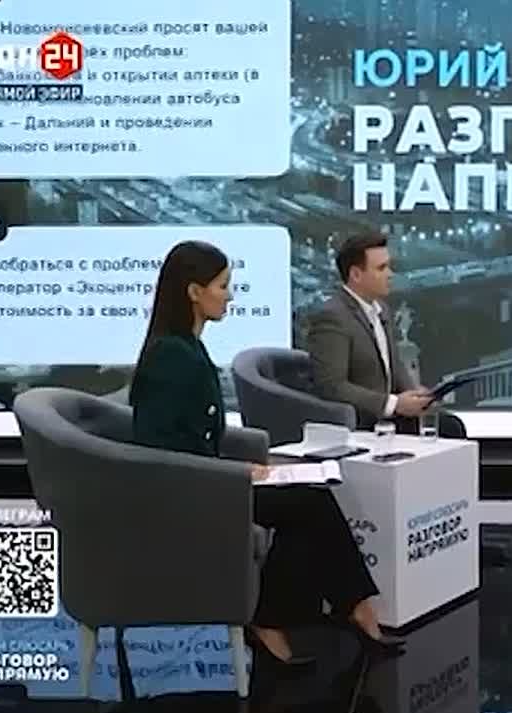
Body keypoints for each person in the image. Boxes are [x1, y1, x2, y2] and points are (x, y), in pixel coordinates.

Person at [128, 240, 405, 663]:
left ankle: (325, 611)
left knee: (308, 502)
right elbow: (164, 447)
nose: (229, 296)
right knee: (308, 506)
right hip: (184, 489)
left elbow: (196, 434)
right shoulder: (171, 356)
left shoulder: (187, 346)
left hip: (207, 477)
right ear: (194, 291)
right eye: (222, 286)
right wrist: (236, 472)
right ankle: (332, 611)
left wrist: (243, 465)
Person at [304, 233, 466, 437]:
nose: (390, 274)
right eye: (381, 268)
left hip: (391, 418)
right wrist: (394, 404)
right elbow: (331, 386)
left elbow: (393, 366)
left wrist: (417, 397)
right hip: (361, 424)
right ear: (356, 274)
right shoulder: (332, 316)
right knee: (449, 429)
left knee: (449, 425)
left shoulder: (381, 309)